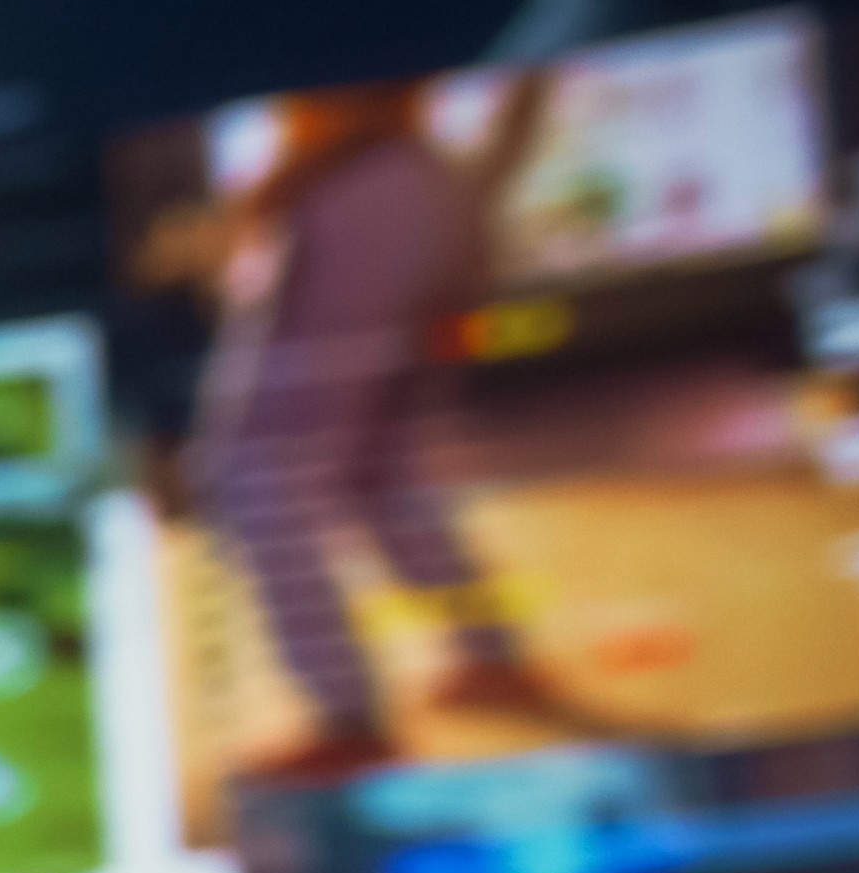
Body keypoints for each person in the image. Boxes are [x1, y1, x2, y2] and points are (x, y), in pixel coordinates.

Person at [181, 75, 601, 787]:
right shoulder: (400, 166)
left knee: (256, 476)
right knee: (381, 476)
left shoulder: (345, 167)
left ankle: (349, 719)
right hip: (421, 192)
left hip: (371, 197)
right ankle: (491, 654)